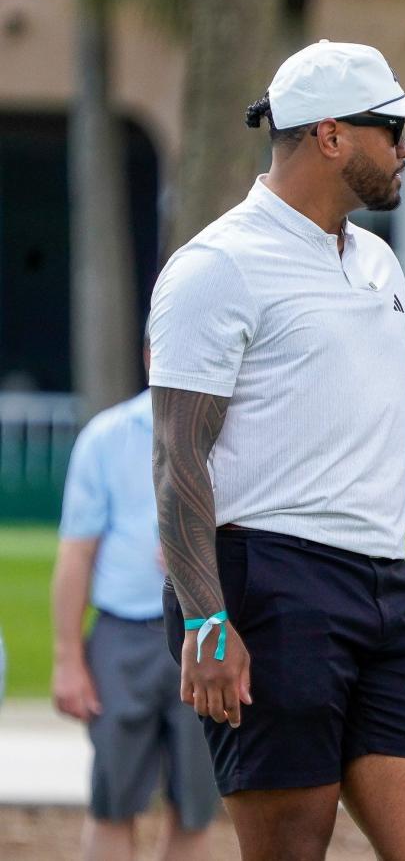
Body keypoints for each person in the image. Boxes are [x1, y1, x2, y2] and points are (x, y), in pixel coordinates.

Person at [148, 39, 405, 861]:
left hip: (384, 590)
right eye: (392, 128)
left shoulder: (378, 264)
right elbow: (175, 460)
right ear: (332, 136)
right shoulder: (217, 266)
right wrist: (205, 620)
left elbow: (402, 447)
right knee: (290, 850)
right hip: (264, 585)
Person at [51, 331, 217, 861]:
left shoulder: (234, 431)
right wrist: (67, 659)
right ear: (150, 355)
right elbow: (76, 553)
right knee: (113, 801)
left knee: (195, 805)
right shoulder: (107, 437)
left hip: (209, 628)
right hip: (125, 636)